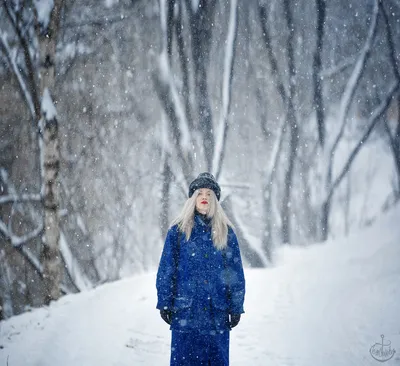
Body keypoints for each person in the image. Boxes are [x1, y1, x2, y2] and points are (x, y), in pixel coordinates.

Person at [156, 172, 246, 366]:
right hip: (186, 315)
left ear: (215, 200)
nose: (204, 197)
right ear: (193, 199)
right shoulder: (177, 233)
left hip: (217, 316)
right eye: (200, 193)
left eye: (209, 194)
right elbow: (166, 270)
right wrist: (164, 302)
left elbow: (235, 274)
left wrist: (236, 307)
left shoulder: (226, 233)